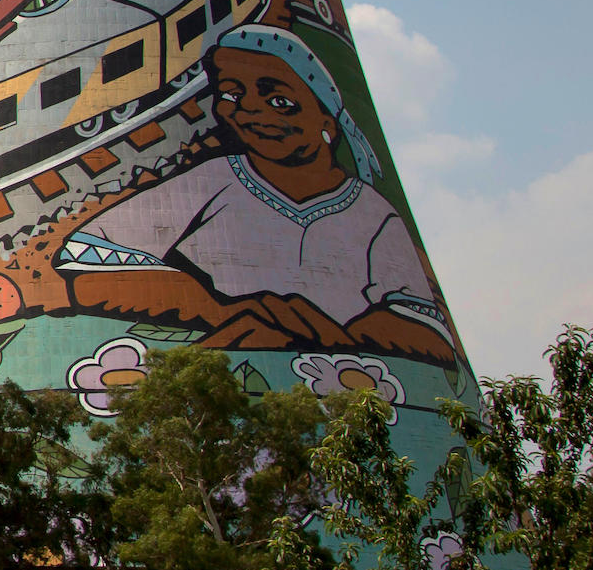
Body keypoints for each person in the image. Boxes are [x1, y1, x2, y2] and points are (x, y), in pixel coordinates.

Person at [57, 26, 456, 360]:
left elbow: (424, 325)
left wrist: (337, 336)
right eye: (231, 95)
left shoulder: (371, 213)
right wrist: (218, 309)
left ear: (327, 123)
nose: (247, 110)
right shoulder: (214, 181)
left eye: (279, 101)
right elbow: (88, 262)